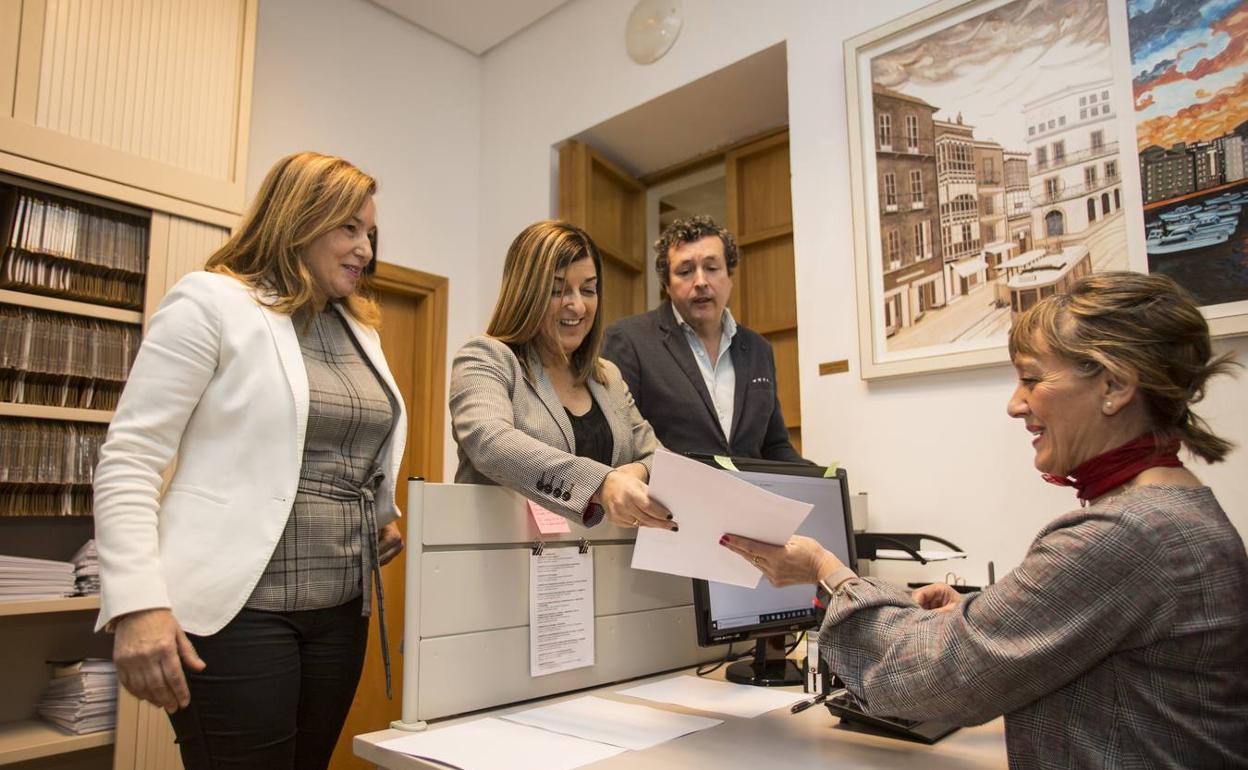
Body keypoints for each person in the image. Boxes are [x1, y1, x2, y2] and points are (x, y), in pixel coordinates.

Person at [721, 272, 1248, 768]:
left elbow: (927, 679)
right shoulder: (1179, 509)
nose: (1015, 405)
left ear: (1115, 385)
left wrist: (826, 570)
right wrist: (976, 613)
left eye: (1032, 380)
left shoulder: (1126, 535)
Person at [93, 152, 408, 769]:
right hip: (239, 610)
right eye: (348, 228)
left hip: (341, 610)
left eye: (369, 233)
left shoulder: (357, 330)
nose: (365, 249)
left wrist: (379, 512)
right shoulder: (212, 302)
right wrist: (136, 602)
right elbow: (130, 459)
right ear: (298, 218)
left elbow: (345, 446)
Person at [450, 220, 673, 530]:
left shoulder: (607, 375)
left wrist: (634, 473)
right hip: (501, 566)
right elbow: (490, 443)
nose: (577, 305)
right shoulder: (485, 358)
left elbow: (659, 458)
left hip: (598, 569)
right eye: (557, 290)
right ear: (525, 293)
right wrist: (601, 482)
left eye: (588, 289)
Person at [603, 215, 803, 462]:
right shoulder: (628, 340)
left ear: (730, 277)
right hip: (667, 497)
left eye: (711, 268)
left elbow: (775, 445)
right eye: (685, 272)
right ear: (667, 284)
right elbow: (619, 441)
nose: (700, 282)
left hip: (746, 498)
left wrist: (822, 482)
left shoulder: (758, 349)